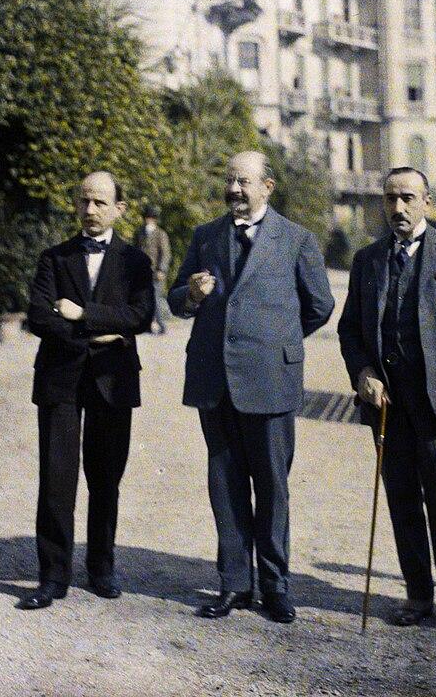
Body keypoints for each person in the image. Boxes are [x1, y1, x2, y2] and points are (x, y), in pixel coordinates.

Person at [168, 150, 334, 624]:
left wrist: (276, 341)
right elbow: (176, 299)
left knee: (273, 487)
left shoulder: (297, 240)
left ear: (268, 187)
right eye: (230, 180)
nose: (235, 190)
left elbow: (319, 305)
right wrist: (192, 296)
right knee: (224, 483)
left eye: (244, 182)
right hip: (214, 378)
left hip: (270, 379)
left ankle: (276, 586)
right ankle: (234, 584)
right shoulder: (205, 236)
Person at [337, 167, 436, 642]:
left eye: (407, 198)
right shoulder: (368, 261)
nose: (398, 208)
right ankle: (418, 595)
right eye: (390, 199)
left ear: (427, 201)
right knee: (402, 499)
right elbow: (349, 331)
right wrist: (362, 372)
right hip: (389, 404)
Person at [19, 172, 154, 610]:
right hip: (61, 378)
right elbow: (39, 316)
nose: (91, 210)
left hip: (113, 381)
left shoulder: (135, 261)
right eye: (84, 202)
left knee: (105, 478)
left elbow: (139, 315)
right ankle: (53, 575)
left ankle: (101, 568)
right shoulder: (54, 258)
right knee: (57, 478)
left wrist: (81, 313)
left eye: (100, 203)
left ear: (120, 209)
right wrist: (96, 332)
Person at [132, 204, 171, 335]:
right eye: (146, 217)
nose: (148, 220)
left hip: (156, 273)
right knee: (143, 299)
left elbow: (165, 254)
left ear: (155, 219)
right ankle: (146, 325)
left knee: (156, 299)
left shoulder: (161, 234)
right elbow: (135, 250)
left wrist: (162, 270)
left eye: (151, 218)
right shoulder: (139, 232)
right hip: (142, 272)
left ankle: (161, 325)